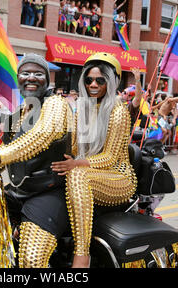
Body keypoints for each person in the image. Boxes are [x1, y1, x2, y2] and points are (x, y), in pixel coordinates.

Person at [0, 53, 72, 268]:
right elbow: (9, 149)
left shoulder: (56, 104)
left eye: (38, 73)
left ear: (47, 80)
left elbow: (41, 136)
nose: (31, 77)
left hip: (48, 191)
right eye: (25, 73)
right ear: (18, 78)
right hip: (17, 190)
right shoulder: (19, 112)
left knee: (31, 260)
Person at [50, 52, 137, 268]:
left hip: (118, 177)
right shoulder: (83, 109)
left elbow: (109, 158)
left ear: (111, 81)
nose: (93, 84)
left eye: (100, 80)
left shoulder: (119, 112)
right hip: (91, 172)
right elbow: (74, 148)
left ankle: (82, 255)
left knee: (78, 174)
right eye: (89, 80)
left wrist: (76, 164)